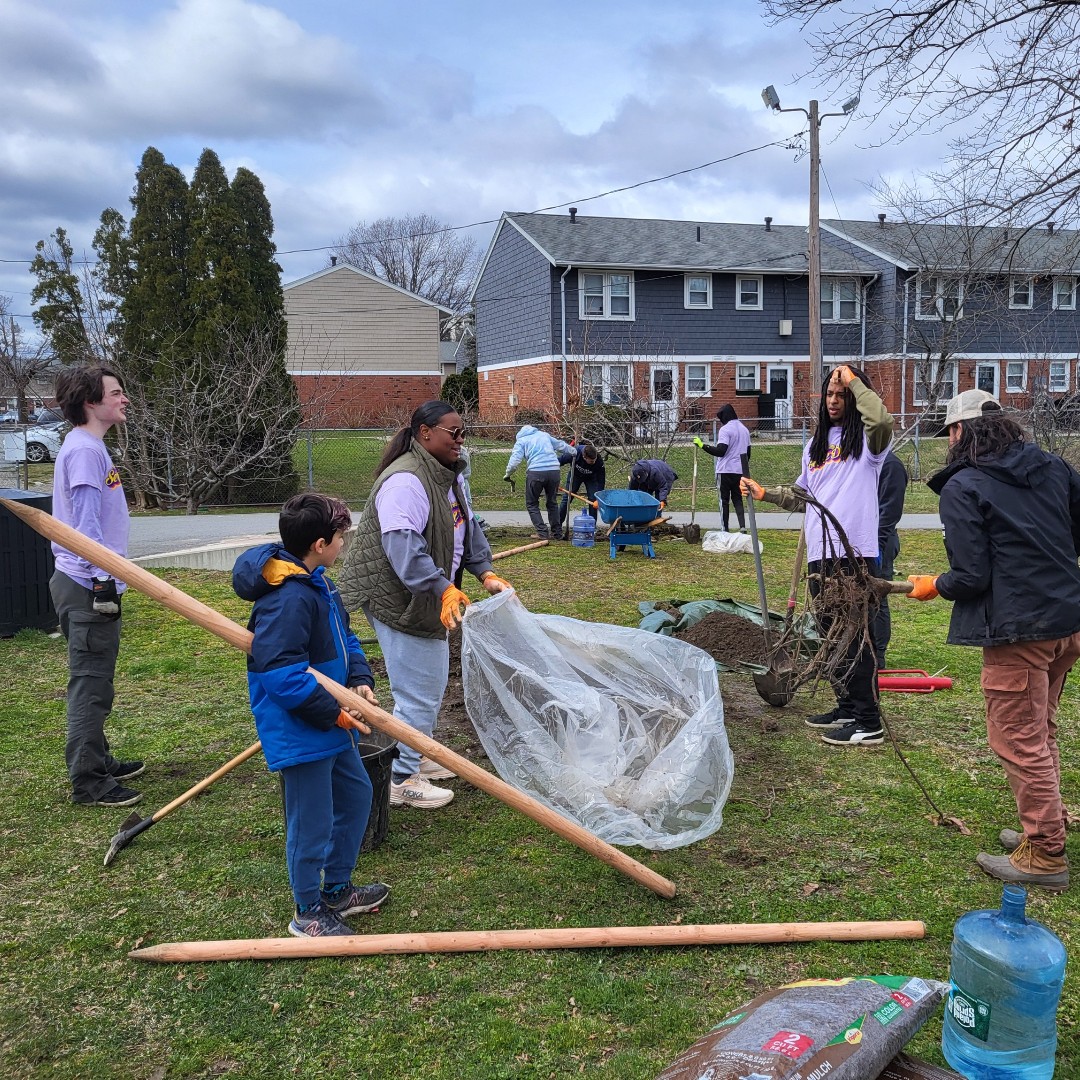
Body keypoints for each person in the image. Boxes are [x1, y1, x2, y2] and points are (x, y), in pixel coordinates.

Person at [906, 389, 1080, 891]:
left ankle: (1045, 853)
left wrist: (933, 585)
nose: (947, 443)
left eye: (949, 433)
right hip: (1067, 622)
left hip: (1018, 632)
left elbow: (972, 575)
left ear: (961, 432)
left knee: (1019, 739)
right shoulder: (1052, 466)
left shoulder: (965, 486)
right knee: (1040, 731)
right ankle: (1043, 825)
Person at [339, 400, 511, 808]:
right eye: (454, 433)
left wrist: (483, 571)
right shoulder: (405, 481)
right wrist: (442, 587)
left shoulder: (450, 476)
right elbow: (405, 552)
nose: (461, 440)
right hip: (395, 594)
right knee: (418, 689)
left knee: (428, 685)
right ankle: (401, 778)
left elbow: (467, 530)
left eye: (463, 432)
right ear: (424, 433)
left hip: (427, 592)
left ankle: (418, 752)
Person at [233, 493, 390, 937]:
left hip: (333, 720)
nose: (344, 544)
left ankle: (338, 889)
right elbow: (281, 676)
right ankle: (307, 910)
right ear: (321, 543)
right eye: (341, 537)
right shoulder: (288, 599)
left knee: (357, 795)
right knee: (311, 821)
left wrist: (359, 680)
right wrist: (332, 713)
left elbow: (347, 640)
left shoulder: (320, 583)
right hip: (302, 728)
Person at [741, 364, 893, 747]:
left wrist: (853, 380)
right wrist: (766, 494)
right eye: (829, 394)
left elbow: (880, 418)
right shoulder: (816, 446)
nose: (834, 401)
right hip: (819, 554)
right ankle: (846, 705)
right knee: (830, 636)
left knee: (855, 637)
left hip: (853, 553)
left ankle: (869, 720)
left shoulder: (869, 445)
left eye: (841, 395)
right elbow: (801, 495)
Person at [49, 365, 143, 807]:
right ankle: (89, 781)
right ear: (91, 401)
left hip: (87, 582)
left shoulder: (90, 447)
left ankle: (98, 758)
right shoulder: (85, 452)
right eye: (116, 392)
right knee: (91, 683)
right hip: (87, 586)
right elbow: (84, 529)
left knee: (96, 679)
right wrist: (104, 581)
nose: (124, 399)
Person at [870, 450, 909, 669]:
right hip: (860, 540)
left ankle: (878, 656)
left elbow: (890, 511)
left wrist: (877, 544)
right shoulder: (864, 460)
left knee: (877, 597)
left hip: (880, 542)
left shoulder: (891, 465)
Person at [503, 423, 573, 539]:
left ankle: (542, 533)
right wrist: (573, 451)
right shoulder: (544, 435)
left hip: (536, 473)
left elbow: (515, 461)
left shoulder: (522, 441)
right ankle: (557, 533)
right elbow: (560, 445)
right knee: (552, 502)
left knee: (532, 503)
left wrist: (508, 474)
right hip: (554, 471)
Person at [693, 404, 751, 532]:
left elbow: (721, 451)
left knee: (723, 501)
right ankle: (742, 526)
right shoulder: (745, 430)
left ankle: (725, 529)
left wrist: (702, 445)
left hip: (724, 470)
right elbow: (748, 453)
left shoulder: (725, 430)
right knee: (737, 499)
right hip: (739, 471)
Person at [558, 441, 606, 526]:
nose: (593, 462)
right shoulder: (574, 453)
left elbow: (601, 478)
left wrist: (599, 494)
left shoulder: (598, 460)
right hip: (575, 475)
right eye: (591, 461)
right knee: (567, 499)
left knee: (593, 500)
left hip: (591, 478)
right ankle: (557, 525)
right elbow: (559, 461)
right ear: (584, 457)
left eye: (594, 460)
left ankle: (592, 527)